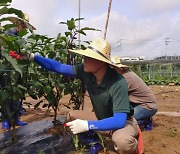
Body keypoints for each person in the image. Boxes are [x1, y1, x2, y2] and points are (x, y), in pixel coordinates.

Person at [10, 38, 139, 154]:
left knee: (124, 144)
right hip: (100, 118)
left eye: (89, 58)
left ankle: (134, 142)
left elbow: (119, 120)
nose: (85, 60)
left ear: (101, 62)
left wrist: (88, 125)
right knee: (72, 116)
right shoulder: (86, 71)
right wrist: (33, 57)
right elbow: (59, 67)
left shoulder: (118, 82)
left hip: (121, 124)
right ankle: (94, 141)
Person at [1, 13, 36, 130]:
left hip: (16, 70)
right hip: (6, 68)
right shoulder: (8, 32)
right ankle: (6, 119)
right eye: (24, 25)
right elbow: (6, 51)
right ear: (18, 23)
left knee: (16, 92)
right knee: (7, 91)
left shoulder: (19, 36)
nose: (25, 28)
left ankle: (15, 118)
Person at [111, 57, 158, 130]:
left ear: (119, 68)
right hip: (140, 104)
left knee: (123, 122)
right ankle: (144, 118)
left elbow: (114, 95)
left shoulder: (125, 79)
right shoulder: (126, 75)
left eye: (112, 68)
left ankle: (144, 120)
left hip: (147, 107)